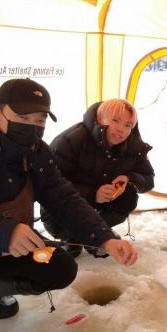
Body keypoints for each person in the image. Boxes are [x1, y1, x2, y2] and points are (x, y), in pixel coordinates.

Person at [0, 79, 138, 332]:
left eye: (39, 120)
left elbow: (64, 198)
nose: (31, 127)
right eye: (22, 116)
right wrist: (4, 233)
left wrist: (105, 239)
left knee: (59, 267)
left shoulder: (36, 152)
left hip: (6, 244)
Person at [41, 98, 154, 255]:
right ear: (99, 119)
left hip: (103, 202)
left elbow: (148, 179)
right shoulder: (71, 141)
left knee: (129, 195)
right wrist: (93, 194)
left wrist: (128, 178)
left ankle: (98, 235)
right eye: (116, 121)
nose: (121, 129)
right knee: (61, 215)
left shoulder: (134, 145)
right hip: (66, 206)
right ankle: (72, 238)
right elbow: (50, 187)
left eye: (128, 125)